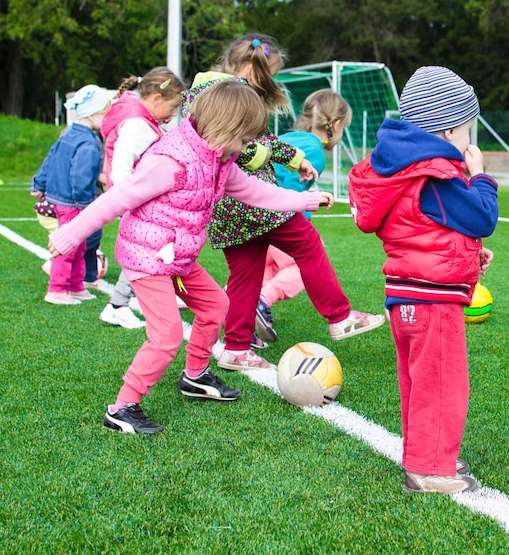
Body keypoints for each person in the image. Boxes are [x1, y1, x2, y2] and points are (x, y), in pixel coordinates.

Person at [47, 79, 334, 434]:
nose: (247, 149)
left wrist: (304, 200)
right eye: (245, 140)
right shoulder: (170, 161)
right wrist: (70, 234)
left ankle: (195, 376)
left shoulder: (220, 160)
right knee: (166, 335)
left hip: (177, 258)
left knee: (217, 306)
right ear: (224, 128)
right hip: (147, 258)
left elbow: (255, 192)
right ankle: (122, 408)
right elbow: (118, 198)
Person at [182, 33, 384, 372]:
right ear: (250, 67)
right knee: (307, 243)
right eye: (268, 75)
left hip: (227, 208)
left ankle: (235, 347)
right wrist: (268, 160)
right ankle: (340, 316)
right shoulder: (225, 93)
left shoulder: (207, 89)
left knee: (247, 274)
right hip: (252, 201)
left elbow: (260, 139)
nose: (269, 83)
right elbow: (238, 146)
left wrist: (295, 160)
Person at [348, 66, 498, 494]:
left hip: (407, 296)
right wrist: (481, 176)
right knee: (442, 384)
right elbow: (482, 216)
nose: (471, 141)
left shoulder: (404, 170)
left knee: (419, 383)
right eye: (469, 130)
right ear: (449, 130)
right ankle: (429, 469)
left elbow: (424, 229)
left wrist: (469, 255)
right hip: (432, 302)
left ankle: (426, 454)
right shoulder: (435, 175)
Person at [253, 89, 353, 345]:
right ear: (337, 124)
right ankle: (263, 301)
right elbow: (290, 190)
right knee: (301, 265)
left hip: (252, 214)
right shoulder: (316, 152)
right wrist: (305, 212)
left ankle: (238, 309)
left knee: (262, 269)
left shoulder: (287, 138)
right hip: (276, 218)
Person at [98, 67, 185, 330]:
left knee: (156, 248)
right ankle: (117, 305)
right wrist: (130, 197)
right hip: (138, 201)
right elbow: (122, 166)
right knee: (146, 251)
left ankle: (139, 299)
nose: (172, 116)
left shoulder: (141, 120)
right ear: (156, 99)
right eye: (172, 107)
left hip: (139, 199)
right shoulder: (139, 126)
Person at [32, 84, 113, 305]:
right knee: (69, 245)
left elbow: (50, 158)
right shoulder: (88, 142)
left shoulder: (69, 134)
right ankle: (57, 289)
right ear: (95, 113)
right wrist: (86, 204)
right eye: (106, 113)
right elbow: (81, 176)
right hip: (74, 202)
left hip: (63, 199)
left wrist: (38, 182)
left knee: (79, 244)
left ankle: (75, 286)